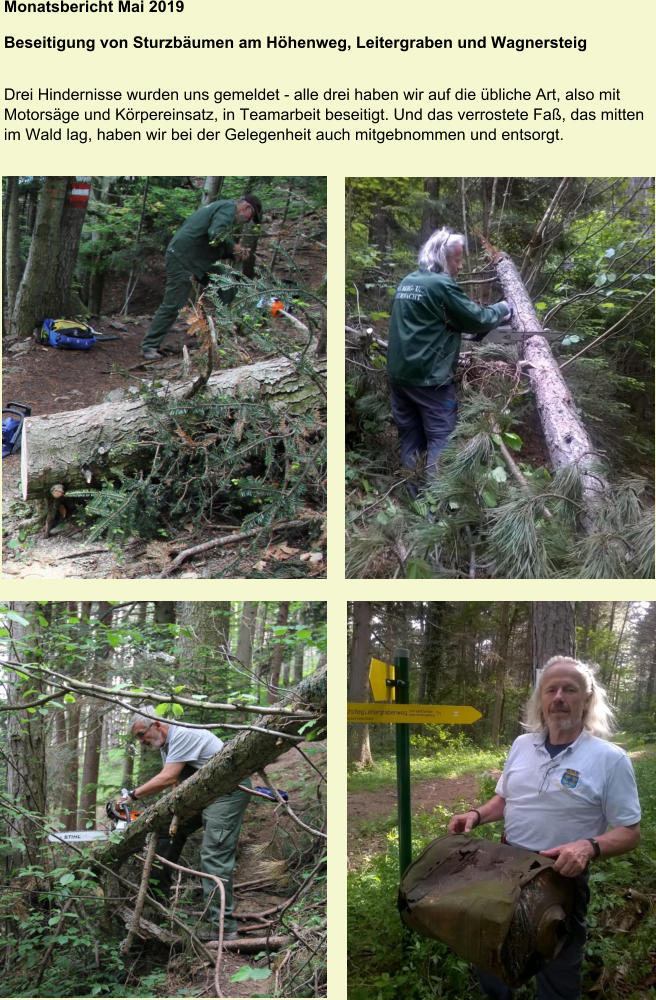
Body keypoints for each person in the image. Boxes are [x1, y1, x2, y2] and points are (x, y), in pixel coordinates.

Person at [447, 655, 641, 1000]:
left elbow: (629, 831)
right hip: (507, 867)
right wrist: (475, 815)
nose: (559, 697)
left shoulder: (610, 759)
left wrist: (587, 847)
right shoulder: (522, 745)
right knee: (492, 948)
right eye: (551, 689)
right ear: (541, 700)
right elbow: (505, 800)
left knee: (557, 964)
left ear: (587, 699)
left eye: (570, 689)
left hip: (559, 877)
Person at [386, 227, 511, 496]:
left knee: (411, 439)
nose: (460, 265)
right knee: (441, 439)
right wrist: (501, 309)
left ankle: (414, 500)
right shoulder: (441, 285)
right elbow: (475, 317)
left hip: (400, 376)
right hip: (430, 379)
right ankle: (438, 506)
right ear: (443, 258)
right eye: (457, 259)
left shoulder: (409, 281)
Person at [117, 711, 251, 940]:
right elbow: (177, 784)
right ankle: (157, 904)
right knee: (163, 832)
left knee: (214, 855)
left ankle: (223, 928)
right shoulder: (166, 745)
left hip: (228, 792)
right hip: (205, 793)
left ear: (157, 725)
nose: (141, 742)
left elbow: (167, 777)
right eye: (137, 738)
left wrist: (132, 796)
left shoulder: (183, 735)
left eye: (142, 735)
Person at [141, 194, 263, 360]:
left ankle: (213, 331)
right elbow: (216, 234)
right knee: (174, 304)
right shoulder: (229, 208)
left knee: (228, 280)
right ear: (247, 208)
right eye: (251, 217)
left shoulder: (222, 209)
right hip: (183, 258)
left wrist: (234, 252)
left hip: (198, 261)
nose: (248, 221)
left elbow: (213, 242)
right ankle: (149, 346)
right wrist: (234, 247)